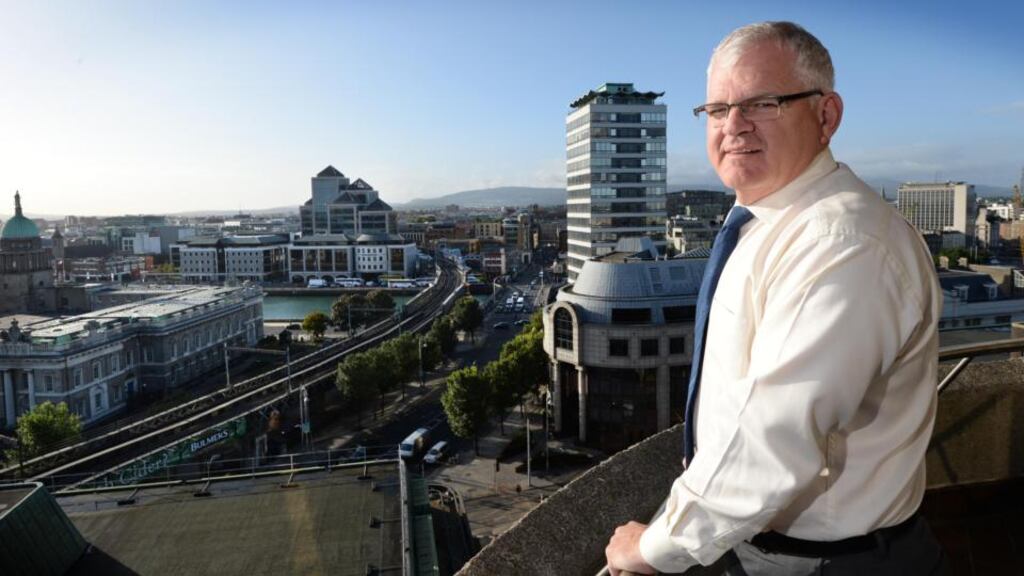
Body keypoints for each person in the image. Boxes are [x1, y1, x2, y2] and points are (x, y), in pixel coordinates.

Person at [605, 21, 947, 575]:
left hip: (832, 565)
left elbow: (773, 439)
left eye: (762, 103)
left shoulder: (844, 243)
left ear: (826, 115)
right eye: (717, 110)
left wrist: (653, 548)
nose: (733, 126)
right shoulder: (770, 223)